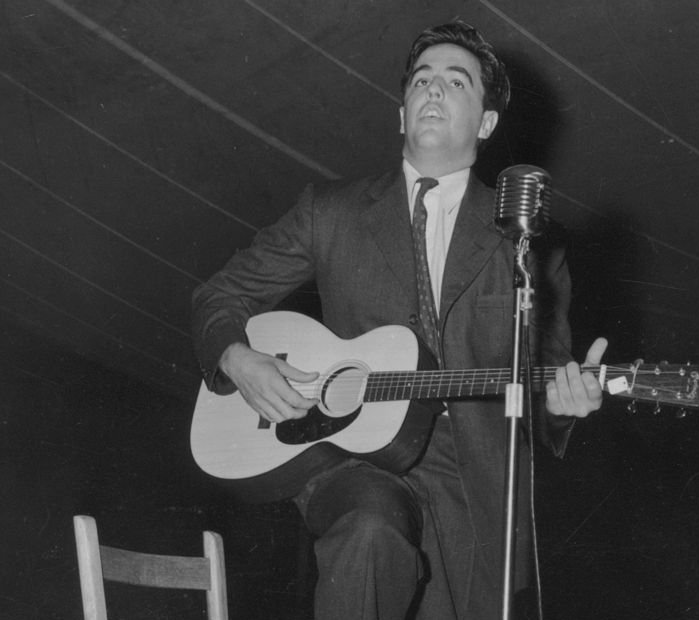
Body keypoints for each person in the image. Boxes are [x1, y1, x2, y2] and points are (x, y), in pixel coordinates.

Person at [192, 20, 606, 620]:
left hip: (475, 489)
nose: (433, 91)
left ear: (487, 123)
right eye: (421, 80)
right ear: (402, 111)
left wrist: (563, 403)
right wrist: (236, 356)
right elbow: (219, 295)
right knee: (368, 529)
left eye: (456, 82)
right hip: (353, 463)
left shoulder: (532, 242)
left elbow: (543, 381)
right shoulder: (327, 213)